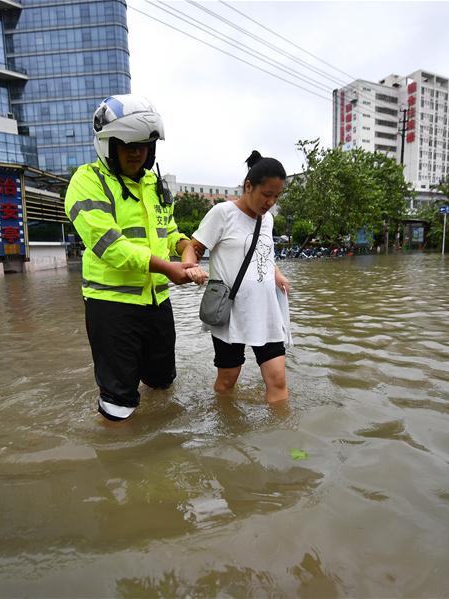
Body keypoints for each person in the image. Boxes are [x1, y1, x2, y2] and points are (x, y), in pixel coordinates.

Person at [65, 94, 199, 421]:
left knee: (162, 384)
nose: (137, 152)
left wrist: (186, 248)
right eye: (127, 144)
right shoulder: (87, 182)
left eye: (144, 144)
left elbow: (167, 231)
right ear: (108, 145)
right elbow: (110, 244)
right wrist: (167, 267)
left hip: (156, 302)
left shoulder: (156, 184)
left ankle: (155, 449)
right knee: (119, 401)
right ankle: (118, 466)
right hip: (111, 305)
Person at [182, 151, 291, 404]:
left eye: (277, 196)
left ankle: (283, 438)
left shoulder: (268, 220)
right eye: (266, 195)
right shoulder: (223, 213)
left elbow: (264, 255)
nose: (271, 202)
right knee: (227, 381)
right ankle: (226, 428)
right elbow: (193, 246)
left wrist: (277, 275)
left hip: (265, 312)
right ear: (248, 186)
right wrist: (190, 266)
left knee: (278, 381)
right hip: (230, 313)